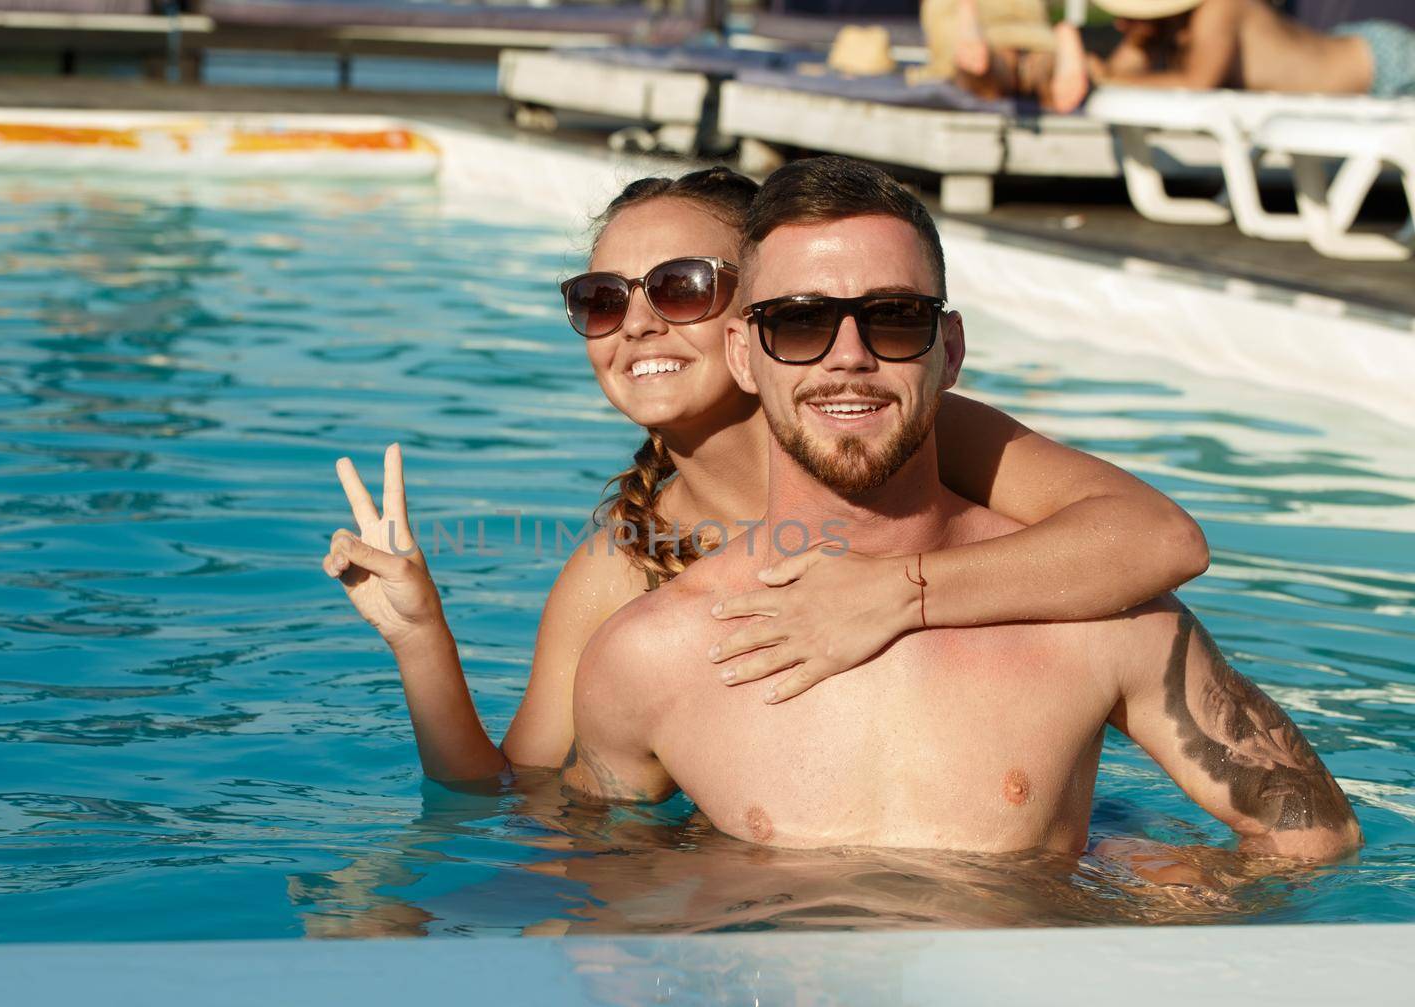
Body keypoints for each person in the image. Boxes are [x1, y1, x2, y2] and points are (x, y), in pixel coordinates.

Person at [562, 156, 1361, 865]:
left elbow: (1316, 834)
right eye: (800, 322)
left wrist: (1155, 901)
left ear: (949, 349)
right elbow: (598, 889)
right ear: (744, 353)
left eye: (894, 319)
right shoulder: (650, 657)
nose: (849, 357)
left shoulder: (1090, 611)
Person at [323, 167, 1208, 784]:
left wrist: (895, 592)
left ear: (764, 316)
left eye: (678, 288)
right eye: (602, 299)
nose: (635, 324)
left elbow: (1156, 539)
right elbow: (522, 801)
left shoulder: (914, 431)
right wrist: (420, 640)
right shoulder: (626, 564)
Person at [956, 0, 1409, 113]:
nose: (1119, 24)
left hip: (1378, 64)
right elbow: (1106, 77)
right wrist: (1057, 69)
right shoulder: (1164, 30)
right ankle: (998, 67)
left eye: (1130, 16)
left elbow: (1197, 83)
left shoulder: (1220, 11)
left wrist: (1102, 77)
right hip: (1352, 54)